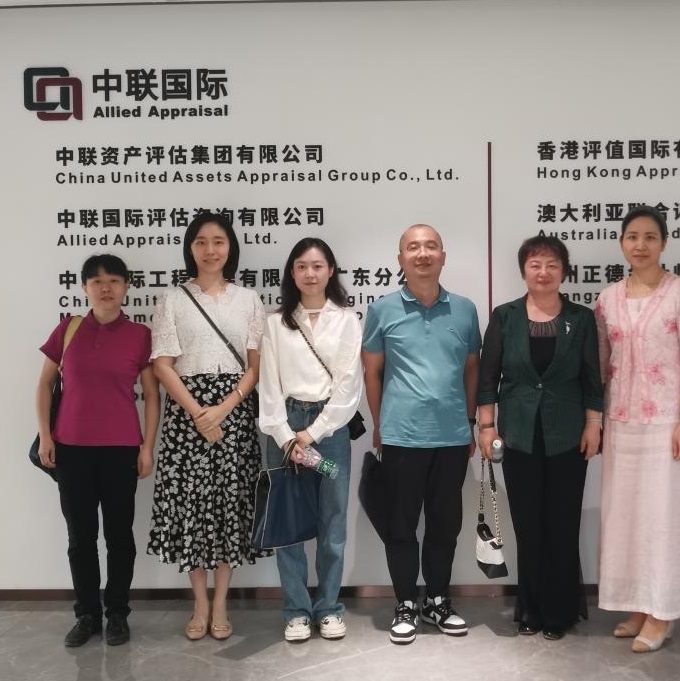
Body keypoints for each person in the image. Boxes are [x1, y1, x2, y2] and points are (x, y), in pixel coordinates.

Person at [147, 211, 269, 641]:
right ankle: (199, 603)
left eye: (218, 241)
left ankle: (221, 603)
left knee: (229, 507)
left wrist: (224, 407)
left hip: (234, 415)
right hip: (186, 417)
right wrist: (199, 411)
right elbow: (162, 365)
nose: (210, 250)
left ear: (230, 248)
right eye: (201, 242)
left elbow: (255, 366)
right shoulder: (172, 299)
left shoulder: (248, 300)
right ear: (190, 248)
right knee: (193, 510)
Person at [476, 235, 602, 640]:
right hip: (519, 435)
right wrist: (486, 426)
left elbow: (592, 377)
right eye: (535, 264)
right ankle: (530, 608)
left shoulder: (581, 319)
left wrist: (594, 424)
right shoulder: (505, 316)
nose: (543, 272)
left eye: (551, 264)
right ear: (523, 271)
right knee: (528, 525)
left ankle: (560, 611)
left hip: (568, 434)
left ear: (564, 270)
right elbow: (488, 376)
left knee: (562, 525)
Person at [594, 206, 680, 653]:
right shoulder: (608, 299)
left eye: (649, 237)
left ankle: (663, 612)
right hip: (621, 423)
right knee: (627, 521)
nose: (640, 245)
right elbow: (601, 364)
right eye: (632, 237)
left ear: (663, 243)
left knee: (664, 521)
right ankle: (640, 606)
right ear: (622, 242)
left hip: (665, 424)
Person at [361, 223, 481, 645]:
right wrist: (380, 424)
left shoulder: (464, 310)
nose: (422, 254)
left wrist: (469, 422)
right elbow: (372, 372)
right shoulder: (382, 310)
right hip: (401, 437)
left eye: (431, 246)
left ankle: (438, 601)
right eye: (413, 247)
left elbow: (472, 369)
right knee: (400, 526)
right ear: (401, 259)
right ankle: (405, 603)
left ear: (443, 256)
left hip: (452, 438)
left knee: (445, 527)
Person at [35, 253, 160, 648]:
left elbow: (152, 395)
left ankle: (117, 614)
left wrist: (147, 447)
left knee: (120, 537)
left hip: (121, 450)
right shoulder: (68, 329)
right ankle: (86, 615)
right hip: (71, 450)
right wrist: (45, 436)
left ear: (126, 286)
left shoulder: (139, 335)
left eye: (114, 281)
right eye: (97, 281)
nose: (106, 288)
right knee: (81, 537)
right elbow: (44, 385)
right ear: (84, 287)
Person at [257, 237, 362, 643]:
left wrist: (312, 433)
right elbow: (268, 386)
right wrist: (287, 437)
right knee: (288, 522)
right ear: (292, 273)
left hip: (329, 434)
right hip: (284, 429)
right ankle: (297, 611)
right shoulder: (276, 323)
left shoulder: (347, 320)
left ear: (330, 271)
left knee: (332, 521)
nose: (310, 273)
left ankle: (329, 608)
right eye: (301, 266)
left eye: (317, 266)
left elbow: (349, 388)